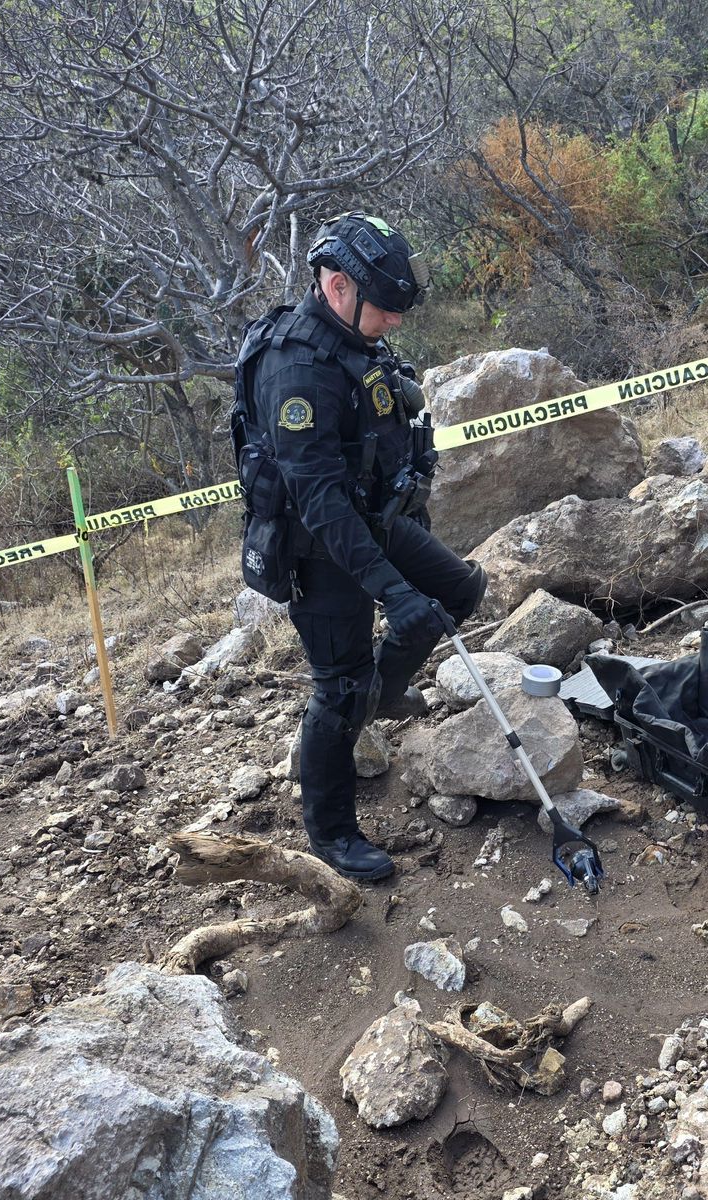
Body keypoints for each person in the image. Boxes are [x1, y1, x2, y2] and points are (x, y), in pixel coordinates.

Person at [230, 213, 486, 882]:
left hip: (371, 519)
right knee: (338, 688)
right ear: (338, 285)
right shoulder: (296, 370)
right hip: (317, 547)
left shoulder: (353, 338)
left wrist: (411, 526)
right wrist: (394, 593)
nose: (396, 322)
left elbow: (381, 442)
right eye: (386, 309)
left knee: (459, 589)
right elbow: (319, 502)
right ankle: (333, 831)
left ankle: (386, 690)